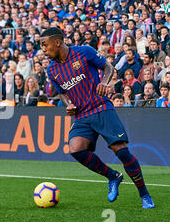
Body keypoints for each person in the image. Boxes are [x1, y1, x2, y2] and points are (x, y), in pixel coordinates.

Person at [41, 27, 154, 209]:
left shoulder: (84, 52)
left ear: (57, 42)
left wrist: (104, 82)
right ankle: (113, 176)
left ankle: (145, 195)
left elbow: (108, 67)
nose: (43, 49)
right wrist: (68, 103)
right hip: (81, 115)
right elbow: (62, 92)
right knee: (76, 149)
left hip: (101, 107)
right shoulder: (52, 70)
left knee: (122, 151)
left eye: (45, 45)